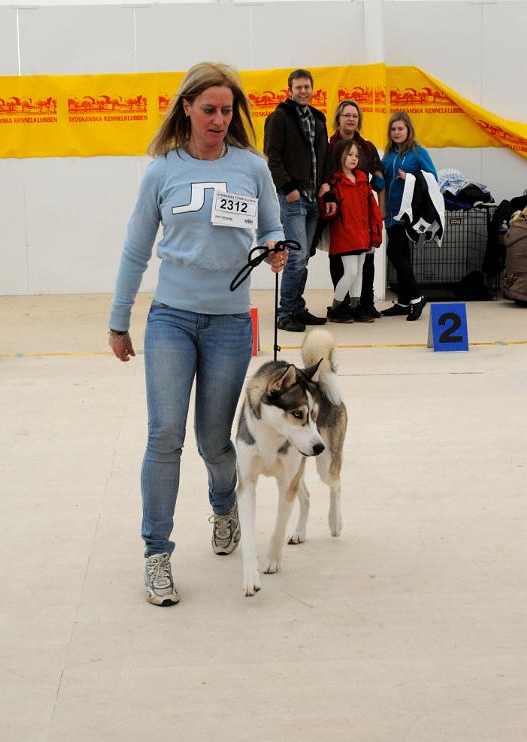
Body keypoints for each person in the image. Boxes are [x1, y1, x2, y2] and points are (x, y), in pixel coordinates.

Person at [108, 63, 286, 606]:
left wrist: (278, 247)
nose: (218, 118)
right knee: (164, 435)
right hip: (170, 319)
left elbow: (273, 225)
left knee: (214, 442)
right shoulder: (161, 171)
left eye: (226, 110)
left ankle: (223, 508)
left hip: (231, 323)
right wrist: (119, 319)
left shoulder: (252, 167)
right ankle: (156, 555)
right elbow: (137, 249)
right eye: (208, 109)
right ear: (185, 108)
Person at [264, 68, 336, 332]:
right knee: (295, 257)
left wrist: (325, 189)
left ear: (312, 89)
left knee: (304, 255)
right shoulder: (279, 118)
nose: (303, 91)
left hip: (314, 199)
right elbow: (272, 156)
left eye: (307, 87)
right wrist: (288, 188)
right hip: (293, 199)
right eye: (299, 87)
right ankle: (285, 313)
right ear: (290, 90)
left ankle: (297, 308)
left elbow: (326, 157)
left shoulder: (318, 119)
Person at [328, 99, 385, 322]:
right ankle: (339, 308)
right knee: (341, 264)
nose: (351, 119)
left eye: (354, 115)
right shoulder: (329, 145)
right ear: (338, 119)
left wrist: (380, 210)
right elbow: (324, 176)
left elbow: (378, 177)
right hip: (340, 215)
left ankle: (363, 304)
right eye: (346, 115)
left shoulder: (368, 147)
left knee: (364, 264)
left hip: (362, 215)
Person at [381, 111, 438, 320]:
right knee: (401, 255)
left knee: (394, 252)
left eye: (400, 129)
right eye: (393, 129)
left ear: (408, 130)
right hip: (390, 211)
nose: (396, 132)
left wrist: (410, 177)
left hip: (408, 213)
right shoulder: (389, 153)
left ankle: (416, 297)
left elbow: (432, 178)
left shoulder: (417, 152)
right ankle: (405, 301)